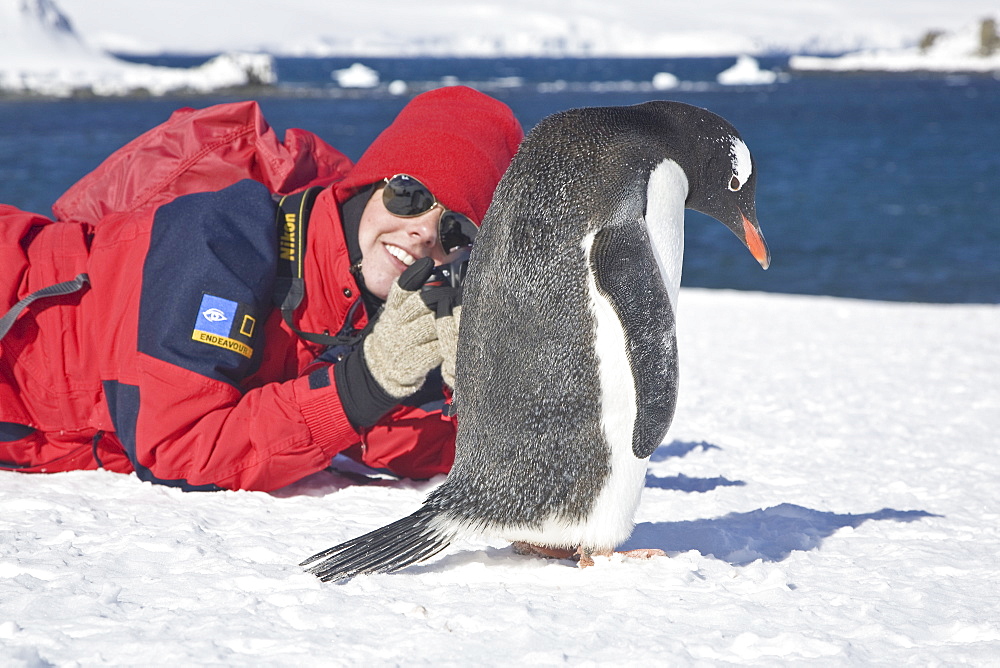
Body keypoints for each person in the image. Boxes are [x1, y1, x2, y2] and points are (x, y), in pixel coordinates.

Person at [0, 86, 524, 492]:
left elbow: (398, 440)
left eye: (456, 229)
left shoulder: (370, 311)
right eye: (410, 196)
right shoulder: (226, 240)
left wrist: (477, 395)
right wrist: (366, 383)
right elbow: (177, 445)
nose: (423, 232)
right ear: (370, 186)